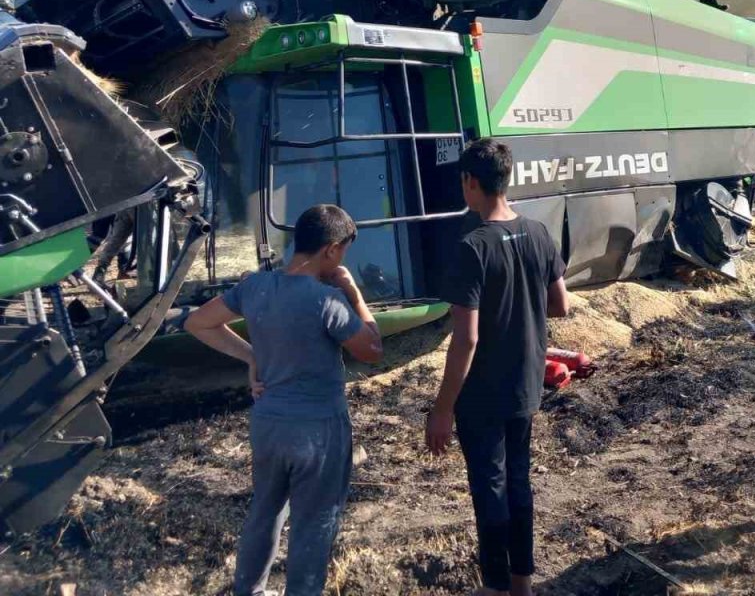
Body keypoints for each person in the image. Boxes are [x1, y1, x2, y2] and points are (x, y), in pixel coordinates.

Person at [185, 204, 384, 596]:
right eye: (344, 250)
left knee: (266, 512)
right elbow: (372, 349)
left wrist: (251, 355)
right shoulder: (327, 300)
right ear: (331, 249)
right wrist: (354, 292)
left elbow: (197, 323)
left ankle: (250, 591)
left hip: (269, 424)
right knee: (315, 523)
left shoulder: (255, 287)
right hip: (318, 431)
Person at [426, 139, 570, 596]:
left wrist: (442, 408)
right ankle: (522, 582)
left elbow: (466, 339)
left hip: (483, 394)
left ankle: (494, 587)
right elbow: (560, 305)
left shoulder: (472, 247)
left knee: (489, 489)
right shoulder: (538, 232)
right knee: (519, 482)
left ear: (470, 182)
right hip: (526, 385)